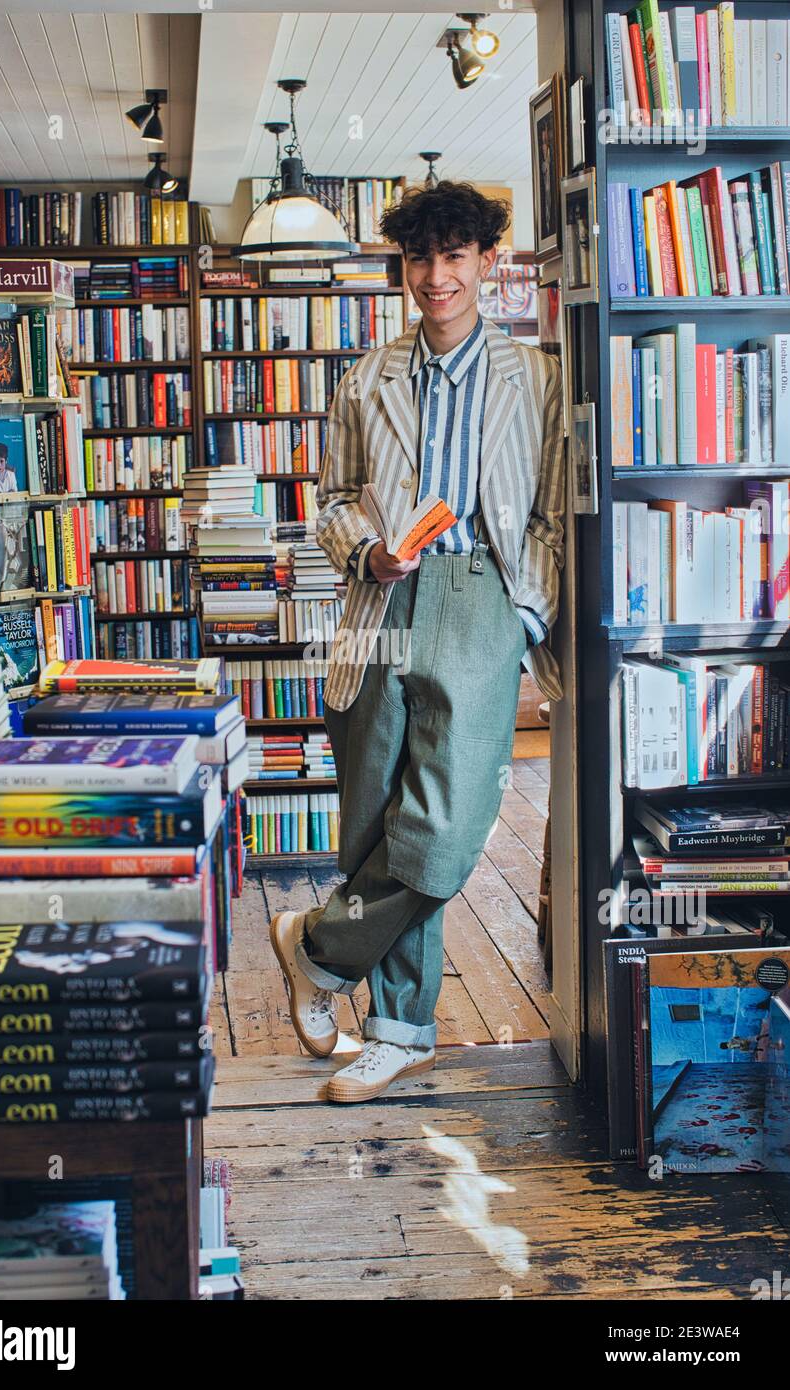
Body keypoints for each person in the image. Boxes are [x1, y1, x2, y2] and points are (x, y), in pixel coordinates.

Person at [270, 181, 566, 1103]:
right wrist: (363, 548)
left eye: (454, 256)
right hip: (382, 602)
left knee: (443, 826)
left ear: (487, 262)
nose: (437, 278)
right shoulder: (364, 379)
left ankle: (320, 948)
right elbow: (328, 500)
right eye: (419, 260)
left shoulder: (538, 378)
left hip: (483, 598)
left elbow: (554, 511)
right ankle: (400, 1032)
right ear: (402, 269)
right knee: (373, 816)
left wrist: (524, 615)